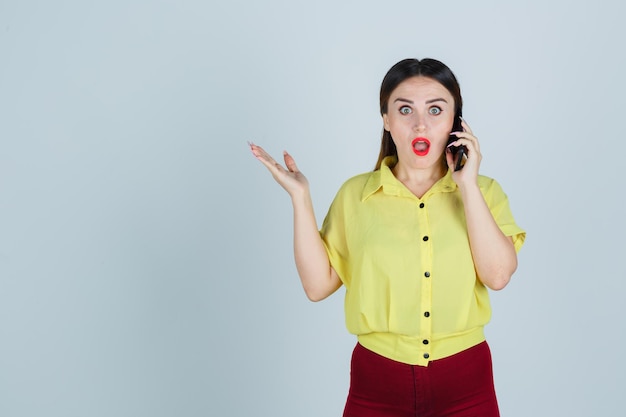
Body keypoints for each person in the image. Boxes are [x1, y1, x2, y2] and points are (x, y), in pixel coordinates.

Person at [249, 58, 525, 417]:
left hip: (466, 381)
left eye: (436, 109)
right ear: (386, 120)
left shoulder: (485, 192)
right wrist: (301, 198)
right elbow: (317, 287)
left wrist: (467, 185)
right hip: (376, 382)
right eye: (405, 109)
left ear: (456, 122)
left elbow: (498, 275)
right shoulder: (355, 195)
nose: (420, 123)